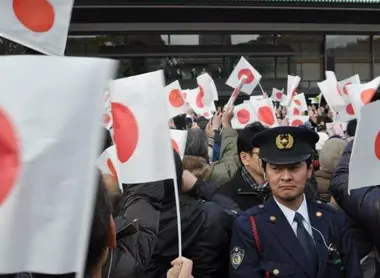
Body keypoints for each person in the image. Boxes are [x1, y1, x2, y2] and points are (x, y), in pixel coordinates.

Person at [229, 126, 362, 278]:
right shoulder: (250, 227)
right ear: (265, 172)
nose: (286, 177)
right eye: (276, 169)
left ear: (310, 170)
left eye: (294, 168)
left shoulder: (333, 220)